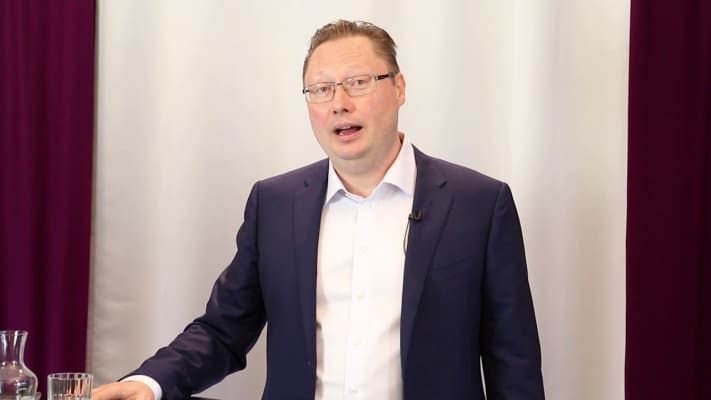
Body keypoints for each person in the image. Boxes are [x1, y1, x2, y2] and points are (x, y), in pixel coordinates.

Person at [93, 19, 545, 400]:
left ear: (399, 87)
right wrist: (149, 383)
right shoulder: (275, 203)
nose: (338, 104)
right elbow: (222, 330)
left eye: (358, 83)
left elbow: (514, 362)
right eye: (321, 89)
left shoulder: (478, 204)